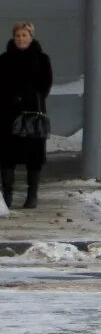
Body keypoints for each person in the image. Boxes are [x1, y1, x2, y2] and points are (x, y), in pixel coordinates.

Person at [0, 21, 53, 210]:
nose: (21, 39)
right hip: (8, 114)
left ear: (31, 36)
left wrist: (28, 96)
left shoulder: (41, 58)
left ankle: (32, 195)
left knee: (34, 156)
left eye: (24, 35)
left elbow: (46, 85)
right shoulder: (4, 59)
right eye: (18, 36)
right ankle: (7, 195)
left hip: (32, 115)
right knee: (7, 156)